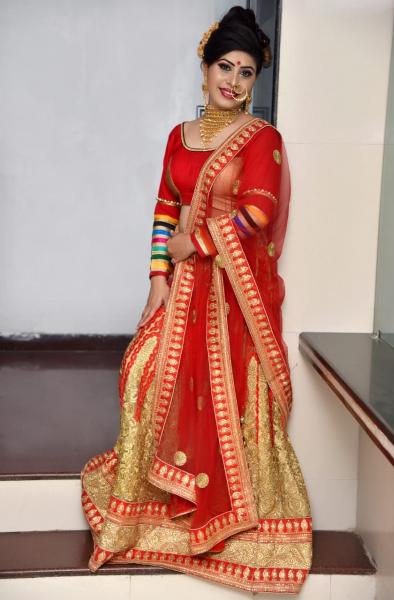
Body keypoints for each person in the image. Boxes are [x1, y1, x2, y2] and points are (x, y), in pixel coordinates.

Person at [81, 6, 312, 594]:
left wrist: (199, 241)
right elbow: (165, 207)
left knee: (225, 395)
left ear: (254, 82)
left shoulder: (262, 139)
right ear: (205, 68)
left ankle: (222, 513)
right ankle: (154, 504)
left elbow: (258, 212)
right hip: (181, 285)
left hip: (232, 293)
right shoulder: (179, 137)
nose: (233, 81)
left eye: (246, 72)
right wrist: (158, 278)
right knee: (141, 373)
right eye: (225, 67)